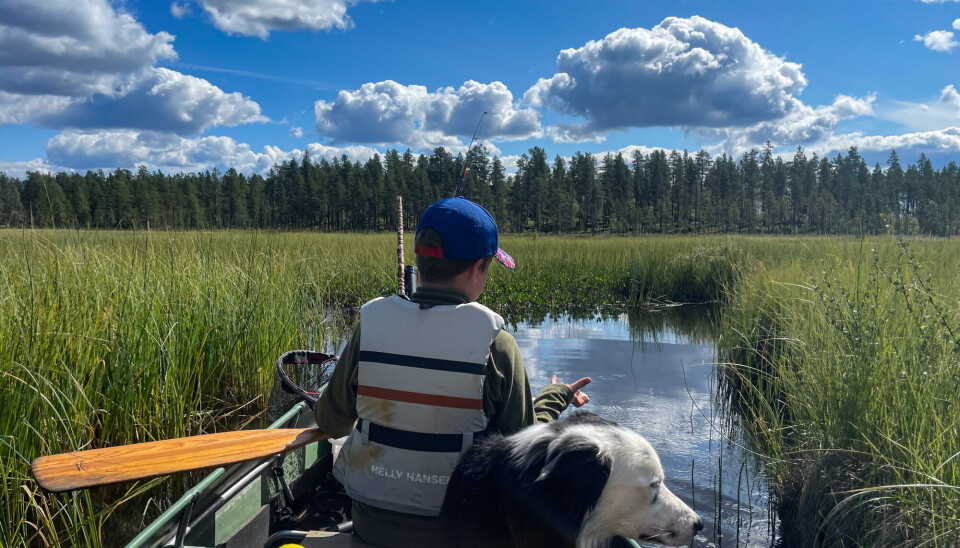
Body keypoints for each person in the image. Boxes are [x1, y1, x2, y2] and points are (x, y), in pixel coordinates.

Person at [313, 197, 591, 547]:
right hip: (460, 533)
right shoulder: (498, 345)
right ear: (477, 268)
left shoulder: (368, 328)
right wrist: (556, 397)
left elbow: (332, 422)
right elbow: (522, 451)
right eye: (489, 268)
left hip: (372, 527)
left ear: (420, 260)